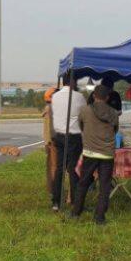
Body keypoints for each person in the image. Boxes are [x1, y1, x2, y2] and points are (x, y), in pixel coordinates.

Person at [71, 84, 119, 225]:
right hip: (107, 154)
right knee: (104, 186)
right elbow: (115, 130)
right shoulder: (113, 113)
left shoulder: (85, 110)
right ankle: (99, 218)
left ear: (93, 95)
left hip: (90, 152)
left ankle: (76, 213)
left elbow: (81, 126)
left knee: (83, 183)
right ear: (108, 97)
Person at [50, 72, 86, 212]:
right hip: (74, 137)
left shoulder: (55, 96)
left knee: (59, 170)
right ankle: (75, 203)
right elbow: (83, 115)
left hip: (58, 136)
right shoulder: (79, 97)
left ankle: (56, 203)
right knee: (73, 170)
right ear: (73, 82)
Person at [42, 87, 58, 194]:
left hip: (49, 142)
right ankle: (53, 189)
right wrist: (49, 142)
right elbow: (48, 128)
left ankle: (52, 189)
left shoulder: (49, 108)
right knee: (53, 166)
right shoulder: (50, 109)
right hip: (51, 142)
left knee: (51, 166)